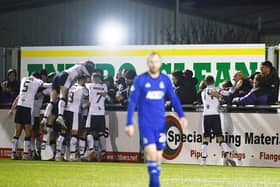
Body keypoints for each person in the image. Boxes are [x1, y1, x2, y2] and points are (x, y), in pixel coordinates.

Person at [125, 52, 187, 187]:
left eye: (156, 62)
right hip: (146, 121)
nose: (154, 64)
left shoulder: (165, 80)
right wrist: (129, 122)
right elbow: (132, 101)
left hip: (160, 122)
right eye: (151, 62)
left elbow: (174, 99)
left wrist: (181, 115)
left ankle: (154, 178)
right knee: (151, 152)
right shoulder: (140, 80)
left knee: (158, 155)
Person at [41, 61, 95, 129]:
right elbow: (89, 79)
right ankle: (60, 116)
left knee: (52, 101)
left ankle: (45, 118)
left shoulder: (78, 65)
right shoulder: (85, 69)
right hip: (66, 76)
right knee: (62, 97)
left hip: (58, 75)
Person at [200, 75, 236, 166]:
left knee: (206, 138)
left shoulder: (203, 92)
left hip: (206, 116)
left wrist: (219, 96)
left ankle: (203, 160)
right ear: (214, 81)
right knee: (219, 136)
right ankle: (228, 154)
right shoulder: (216, 88)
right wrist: (232, 89)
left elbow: (209, 98)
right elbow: (227, 94)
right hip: (215, 115)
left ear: (205, 82)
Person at [8, 73, 44, 160]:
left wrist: (12, 110)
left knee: (18, 132)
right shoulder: (36, 87)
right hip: (29, 110)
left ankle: (14, 153)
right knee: (28, 133)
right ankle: (26, 154)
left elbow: (17, 98)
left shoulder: (25, 85)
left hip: (20, 108)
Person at [55, 75, 89, 161]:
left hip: (67, 110)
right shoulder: (83, 89)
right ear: (82, 80)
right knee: (74, 133)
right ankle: (72, 156)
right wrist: (87, 104)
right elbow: (87, 98)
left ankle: (58, 154)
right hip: (75, 112)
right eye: (84, 80)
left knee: (63, 133)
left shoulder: (71, 87)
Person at [85, 71, 108, 161]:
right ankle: (103, 153)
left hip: (93, 112)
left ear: (93, 78)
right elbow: (105, 94)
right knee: (101, 133)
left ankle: (92, 150)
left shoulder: (90, 85)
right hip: (101, 113)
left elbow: (82, 84)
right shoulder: (104, 86)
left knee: (89, 132)